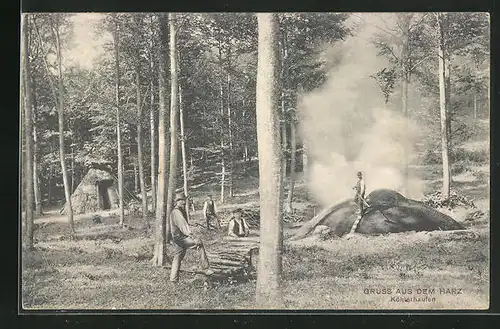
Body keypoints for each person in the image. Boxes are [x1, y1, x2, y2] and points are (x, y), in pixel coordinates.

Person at [169, 193, 211, 282]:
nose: (184, 202)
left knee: (177, 257)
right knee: (199, 243)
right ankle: (206, 268)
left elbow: (183, 223)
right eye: (181, 200)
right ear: (177, 202)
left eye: (184, 200)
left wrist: (191, 224)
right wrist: (192, 236)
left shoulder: (179, 211)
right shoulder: (177, 212)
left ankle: (173, 279)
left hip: (178, 238)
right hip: (181, 238)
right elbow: (183, 225)